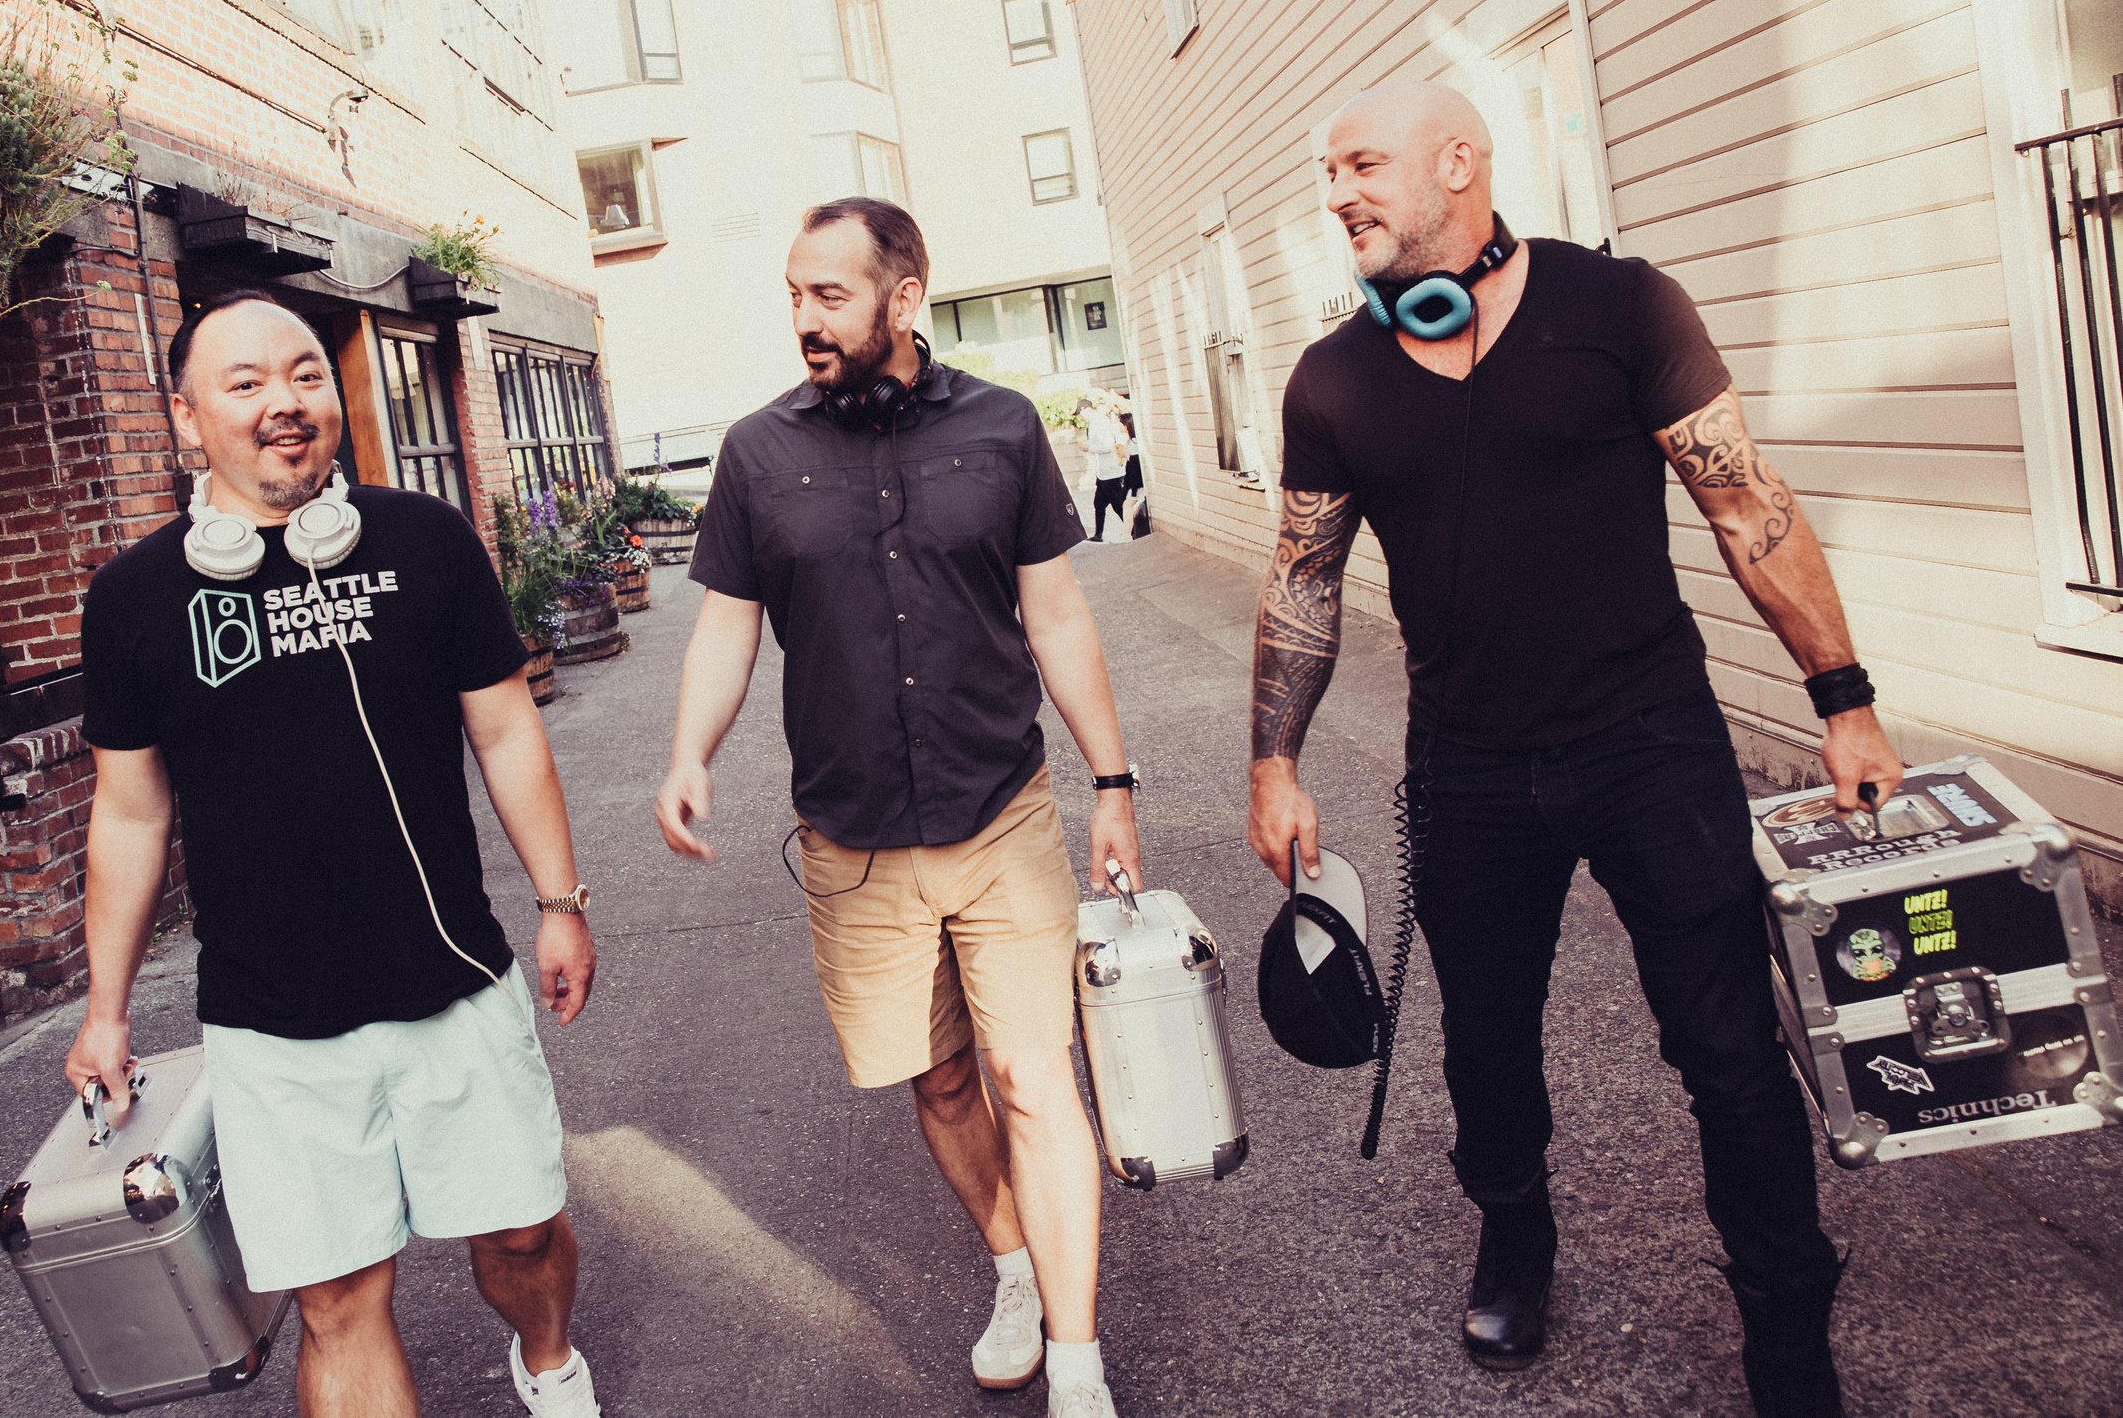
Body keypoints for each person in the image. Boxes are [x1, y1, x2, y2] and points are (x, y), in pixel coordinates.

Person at [1246, 83, 1901, 1418]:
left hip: (1652, 739)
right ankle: (1514, 1230)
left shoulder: (1623, 307)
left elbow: (1747, 506)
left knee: (1727, 1047)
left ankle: (1785, 1322)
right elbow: (1302, 576)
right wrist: (1274, 761)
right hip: (1469, 762)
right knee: (1484, 1040)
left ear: (1460, 162)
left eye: (1362, 164)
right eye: (1328, 172)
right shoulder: (1333, 378)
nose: (1338, 193)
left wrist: (1842, 697)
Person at [66, 291, 603, 1418]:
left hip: (453, 974)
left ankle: (549, 1359)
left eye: (306, 373)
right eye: (246, 382)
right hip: (269, 1020)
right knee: (338, 1296)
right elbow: (129, 813)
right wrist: (104, 1010)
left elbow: (506, 729)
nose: (285, 402)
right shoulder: (131, 600)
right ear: (186, 417)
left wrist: (560, 900)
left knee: (521, 1229)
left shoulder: (426, 541)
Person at [654, 198, 1141, 1418]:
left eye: (829, 293)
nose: (804, 318)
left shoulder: (1002, 427)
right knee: (938, 1082)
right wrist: (688, 749)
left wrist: (1112, 782)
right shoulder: (757, 452)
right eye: (793, 293)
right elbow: (726, 624)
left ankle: (1078, 1364)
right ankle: (1013, 1262)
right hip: (853, 837)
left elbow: (1055, 616)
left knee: (1034, 1078)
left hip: (1001, 812)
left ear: (904, 296)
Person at [1083, 397, 1128, 542]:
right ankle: (1098, 535)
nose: (1081, 417)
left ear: (1086, 409)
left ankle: (1133, 530)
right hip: (1104, 473)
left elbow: (1108, 446)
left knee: (1117, 505)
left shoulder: (1099, 423)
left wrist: (1089, 448)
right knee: (1099, 504)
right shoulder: (1096, 422)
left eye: (1080, 413)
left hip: (1110, 473)